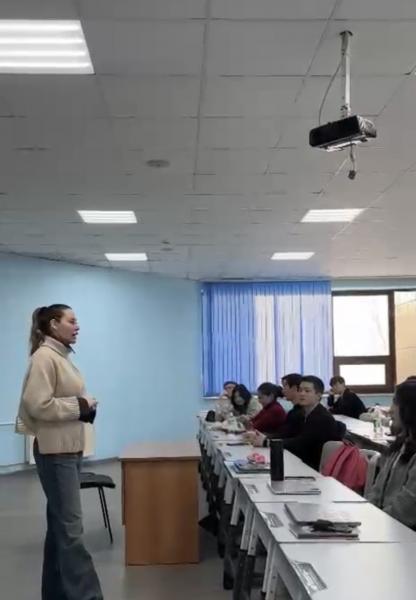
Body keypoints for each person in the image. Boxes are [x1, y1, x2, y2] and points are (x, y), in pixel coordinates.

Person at [15, 305, 103, 600]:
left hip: (67, 449)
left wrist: (85, 405)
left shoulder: (60, 357)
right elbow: (36, 404)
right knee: (71, 530)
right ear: (54, 324)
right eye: (72, 321)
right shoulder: (44, 357)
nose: (77, 326)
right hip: (56, 453)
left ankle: (55, 594)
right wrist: (80, 405)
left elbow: (59, 400)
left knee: (59, 527)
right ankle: (87, 596)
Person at [246, 376, 343, 471]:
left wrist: (267, 442)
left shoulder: (321, 417)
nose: (302, 394)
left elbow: (301, 443)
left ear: (318, 395)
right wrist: (265, 438)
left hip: (312, 468)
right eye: (300, 390)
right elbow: (288, 434)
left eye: (307, 391)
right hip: (300, 461)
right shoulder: (304, 413)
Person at [368, 380, 416, 529]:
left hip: (403, 533)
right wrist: (366, 514)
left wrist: (375, 523)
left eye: (395, 402)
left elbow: (406, 510)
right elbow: (376, 490)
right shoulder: (400, 445)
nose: (390, 410)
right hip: (385, 524)